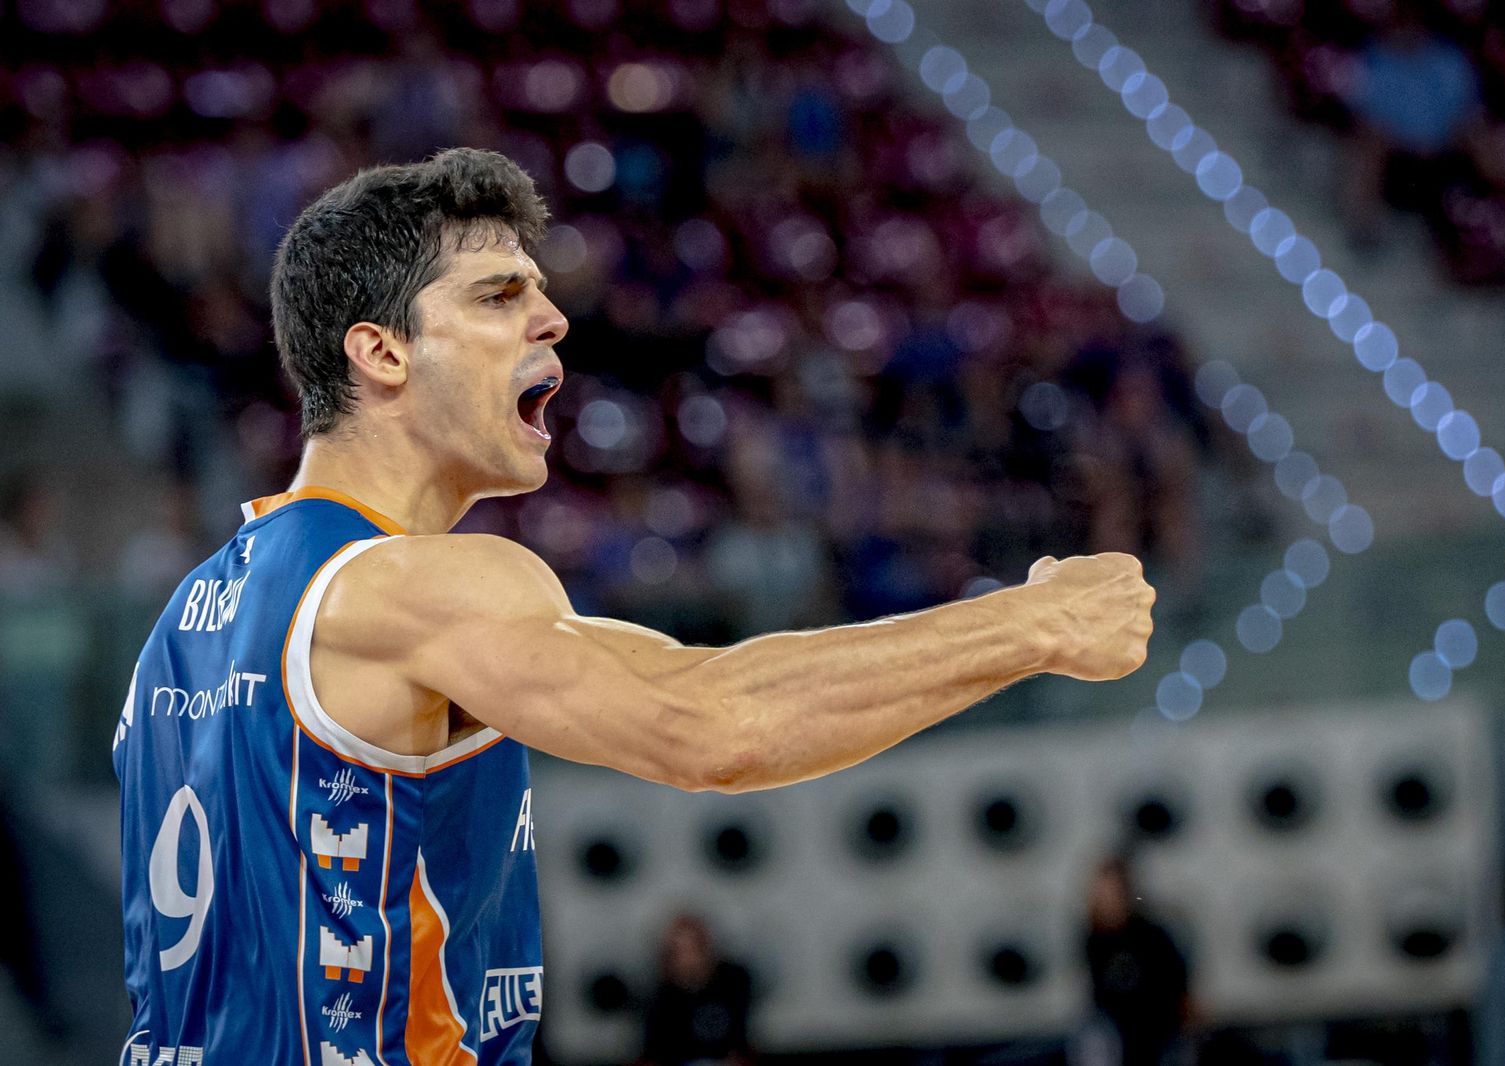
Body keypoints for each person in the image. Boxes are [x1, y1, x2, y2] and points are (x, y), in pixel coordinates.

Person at [112, 147, 1156, 1065]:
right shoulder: (418, 583)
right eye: (496, 295)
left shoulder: (192, 618)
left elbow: (675, 676)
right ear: (380, 350)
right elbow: (709, 725)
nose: (552, 314)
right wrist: (1034, 623)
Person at [1078, 856, 1189, 1066]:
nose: (1108, 898)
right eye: (1103, 892)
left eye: (1113, 891)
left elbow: (1176, 982)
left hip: (1156, 1029)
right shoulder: (1093, 939)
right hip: (1116, 1033)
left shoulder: (1151, 934)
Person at [639, 914, 752, 1066]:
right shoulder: (660, 1000)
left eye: (693, 948)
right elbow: (653, 1055)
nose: (688, 958)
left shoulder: (732, 984)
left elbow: (742, 1046)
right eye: (680, 951)